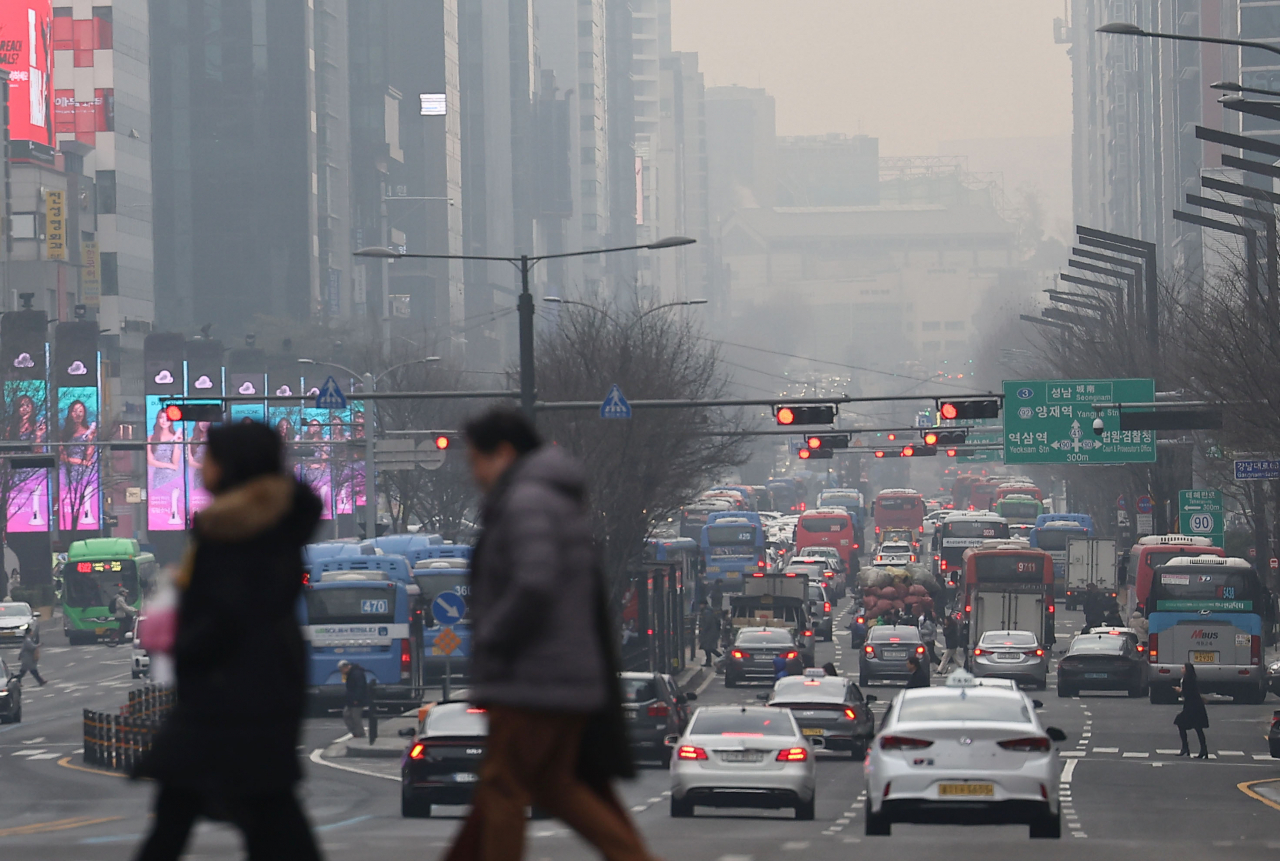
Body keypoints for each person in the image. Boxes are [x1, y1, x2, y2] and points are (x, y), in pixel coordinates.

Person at [443, 408, 656, 861]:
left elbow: (534, 582)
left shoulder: (527, 502)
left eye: (475, 460)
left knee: (503, 790)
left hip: (534, 679)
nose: (473, 473)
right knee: (558, 788)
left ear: (502, 453)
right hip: (556, 675)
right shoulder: (548, 498)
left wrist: (494, 635)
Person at [132, 420, 323, 861]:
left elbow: (226, 614)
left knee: (194, 816)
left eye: (210, 454)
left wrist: (186, 645)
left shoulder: (237, 532)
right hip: (257, 688)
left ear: (232, 465)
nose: (203, 463)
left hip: (230, 696)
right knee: (267, 818)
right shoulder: (270, 526)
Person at [1173, 662, 1209, 759]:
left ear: (1187, 670)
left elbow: (1187, 693)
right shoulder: (1191, 679)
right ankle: (1203, 749)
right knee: (1198, 727)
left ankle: (1186, 748)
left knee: (1180, 722)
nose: (1181, 669)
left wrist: (1179, 691)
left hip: (1192, 707)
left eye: (1183, 667)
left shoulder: (1186, 680)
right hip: (1196, 706)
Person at [338, 660, 369, 739]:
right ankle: (355, 732)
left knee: (355, 717)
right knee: (347, 715)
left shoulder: (356, 674)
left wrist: (356, 699)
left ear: (346, 667)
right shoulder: (351, 673)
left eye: (341, 670)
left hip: (357, 700)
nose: (341, 672)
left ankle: (360, 734)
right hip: (351, 700)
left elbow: (360, 687)